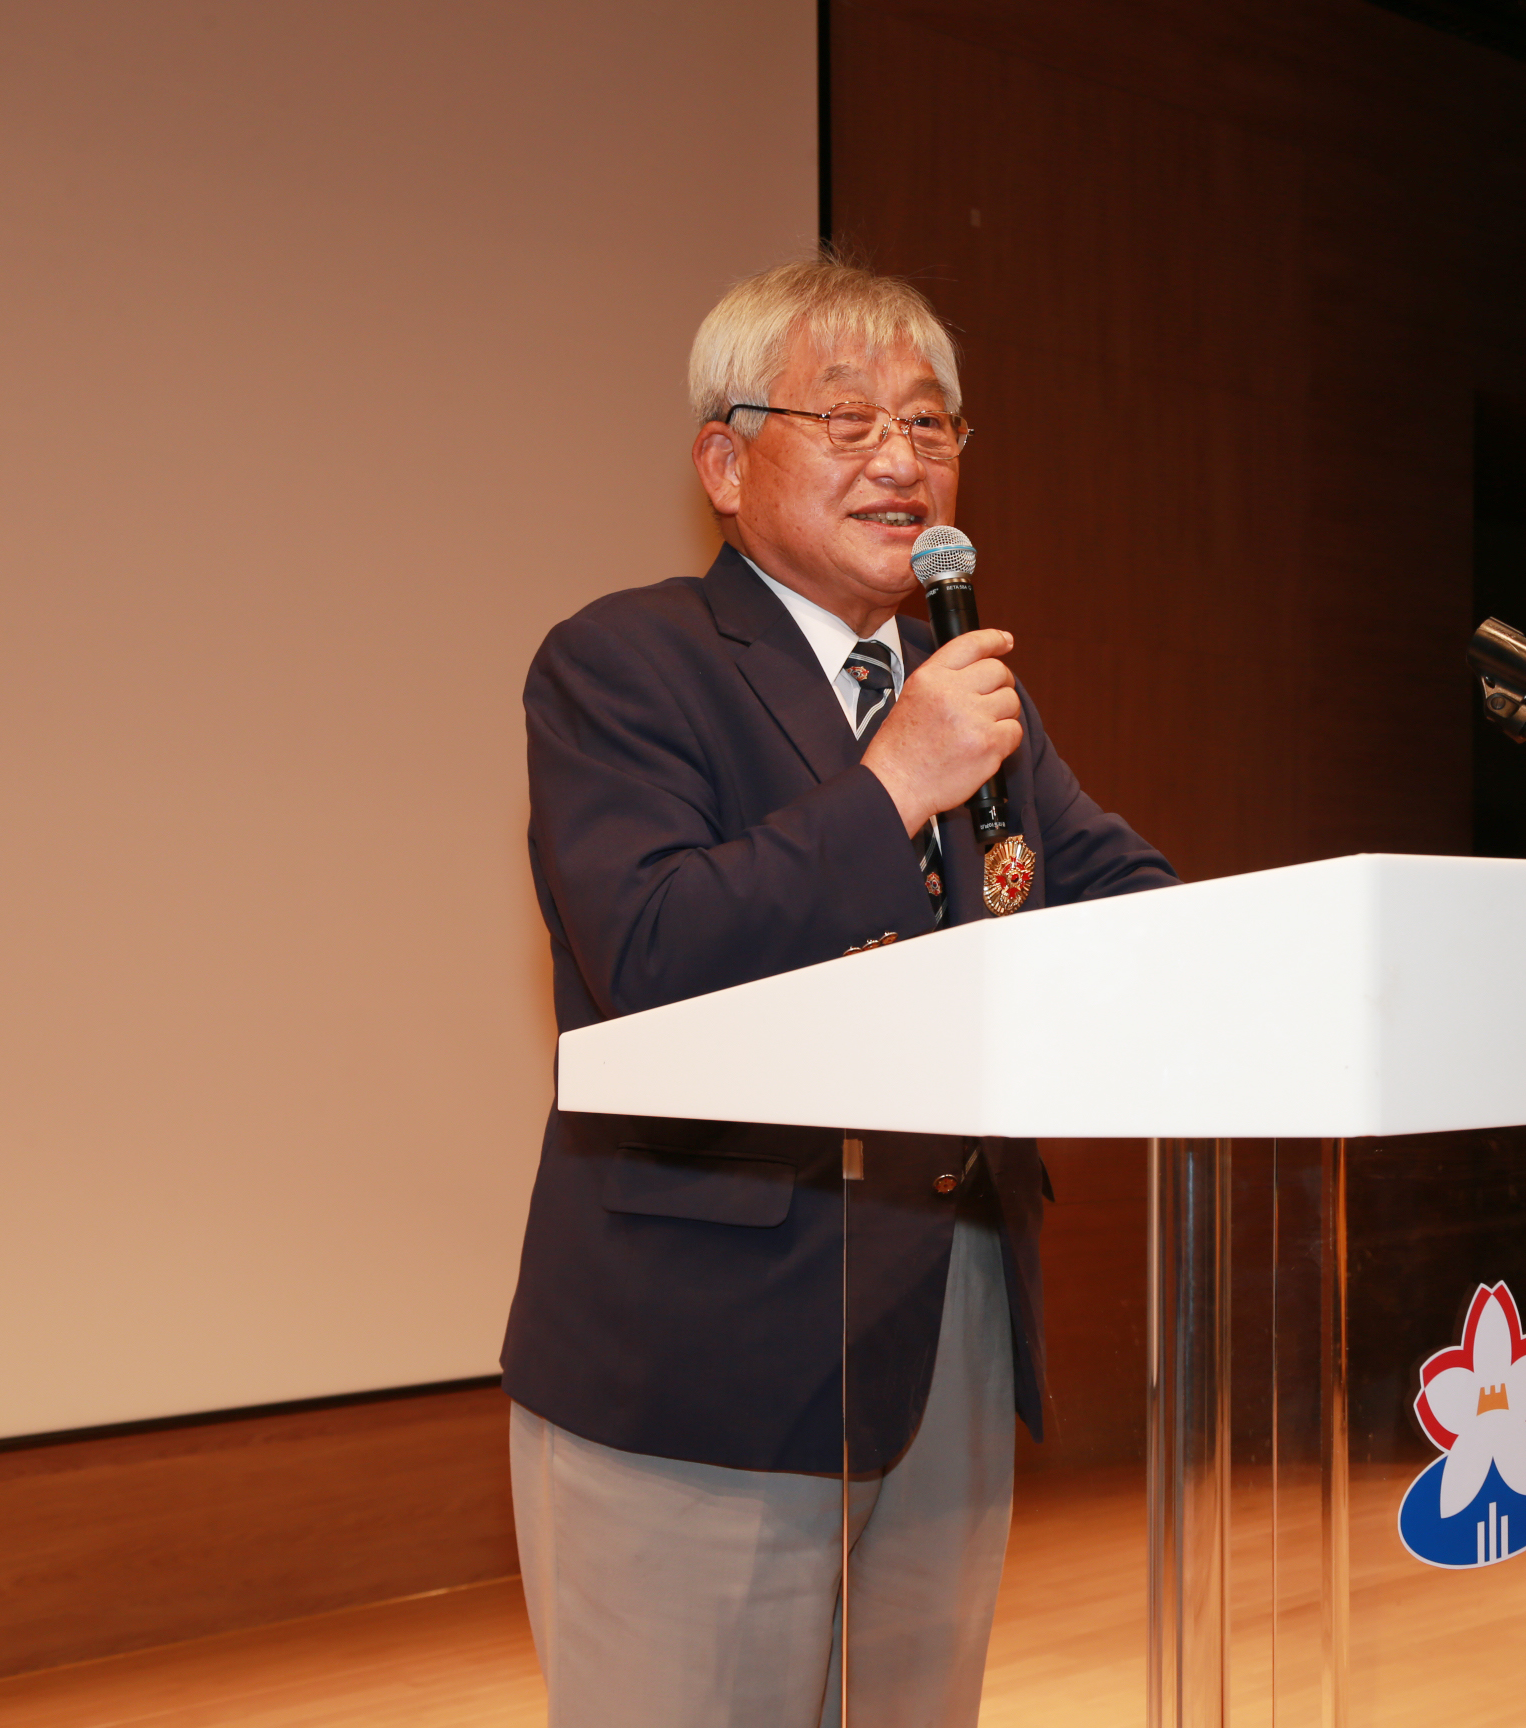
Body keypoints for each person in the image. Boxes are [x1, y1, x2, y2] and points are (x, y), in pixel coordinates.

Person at [500, 256, 1177, 1728]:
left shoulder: (970, 690)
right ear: (726, 463)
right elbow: (652, 956)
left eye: (931, 426)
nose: (903, 459)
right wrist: (892, 787)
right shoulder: (625, 664)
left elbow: (1129, 907)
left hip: (944, 1322)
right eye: (852, 418)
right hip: (705, 1351)